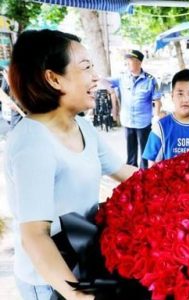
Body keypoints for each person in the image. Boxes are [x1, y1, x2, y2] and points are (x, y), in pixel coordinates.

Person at [5, 29, 138, 300]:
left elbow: (127, 174)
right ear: (54, 78)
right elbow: (35, 235)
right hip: (49, 283)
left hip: (81, 264)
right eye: (86, 67)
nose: (95, 76)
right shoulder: (33, 142)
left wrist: (184, 183)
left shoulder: (82, 127)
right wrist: (77, 295)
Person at [105, 49, 162, 169]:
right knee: (130, 149)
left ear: (139, 63)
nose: (128, 64)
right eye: (127, 61)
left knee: (145, 149)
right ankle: (131, 170)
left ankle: (144, 172)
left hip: (143, 122)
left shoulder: (150, 80)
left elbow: (157, 100)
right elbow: (104, 81)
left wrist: (156, 117)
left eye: (131, 61)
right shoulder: (122, 78)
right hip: (128, 120)